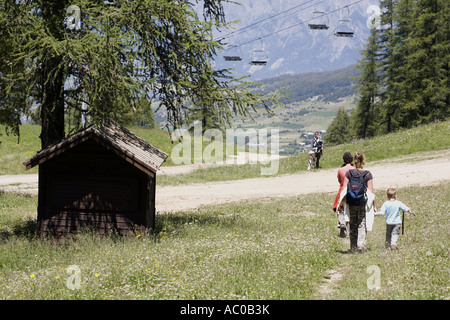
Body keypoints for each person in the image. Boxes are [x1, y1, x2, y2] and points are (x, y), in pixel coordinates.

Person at [340, 152, 376, 252]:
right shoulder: (367, 174)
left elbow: (344, 189)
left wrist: (341, 204)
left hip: (351, 202)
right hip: (361, 202)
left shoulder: (349, 173)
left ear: (354, 161)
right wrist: (374, 205)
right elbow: (371, 192)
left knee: (353, 223)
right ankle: (361, 245)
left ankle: (353, 247)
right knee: (361, 223)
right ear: (363, 161)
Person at [333, 152, 354, 237]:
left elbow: (340, 181)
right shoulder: (354, 169)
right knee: (349, 210)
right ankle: (348, 232)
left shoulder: (340, 170)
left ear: (344, 160)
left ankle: (341, 223)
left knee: (340, 208)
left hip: (342, 190)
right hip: (352, 190)